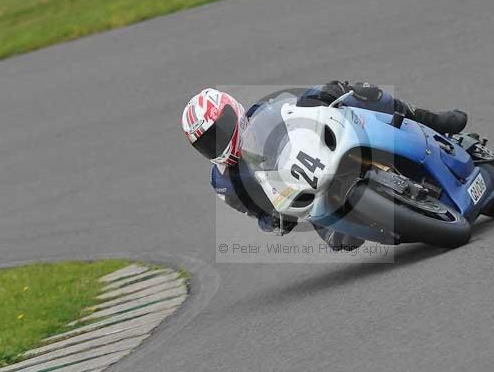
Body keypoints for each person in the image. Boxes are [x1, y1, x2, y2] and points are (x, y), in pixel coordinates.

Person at [181, 81, 467, 251]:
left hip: (325, 150)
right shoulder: (224, 182)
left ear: (233, 110)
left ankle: (430, 120)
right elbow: (257, 212)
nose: (216, 142)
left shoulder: (266, 108)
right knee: (342, 240)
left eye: (219, 130)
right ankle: (412, 219)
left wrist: (325, 96)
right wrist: (274, 221)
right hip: (306, 197)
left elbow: (304, 105)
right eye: (207, 142)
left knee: (359, 93)